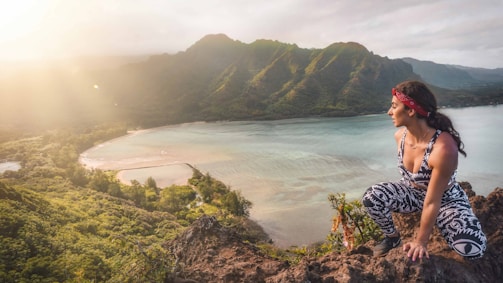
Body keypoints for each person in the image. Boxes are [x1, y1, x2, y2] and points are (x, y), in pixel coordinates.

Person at [362, 80, 487, 261]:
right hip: (413, 194)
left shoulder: (443, 148)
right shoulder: (400, 137)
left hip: (445, 201)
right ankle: (392, 238)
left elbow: (433, 201)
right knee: (372, 197)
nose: (389, 112)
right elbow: (413, 190)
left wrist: (421, 241)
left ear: (411, 111)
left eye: (394, 106)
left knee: (472, 249)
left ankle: (445, 221)